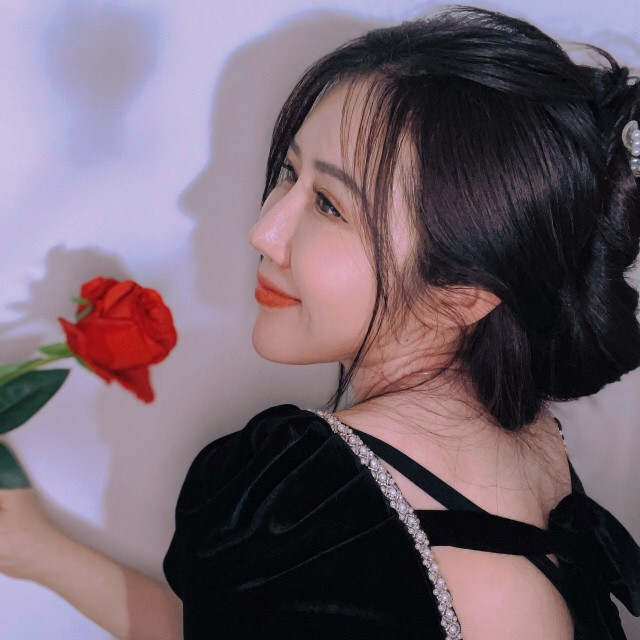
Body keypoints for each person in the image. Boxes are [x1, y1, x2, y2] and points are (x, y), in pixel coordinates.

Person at [1, 5, 640, 639]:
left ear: (464, 295)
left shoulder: (305, 499)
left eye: (330, 205)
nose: (264, 231)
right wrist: (43, 554)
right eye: (289, 172)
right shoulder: (527, 446)